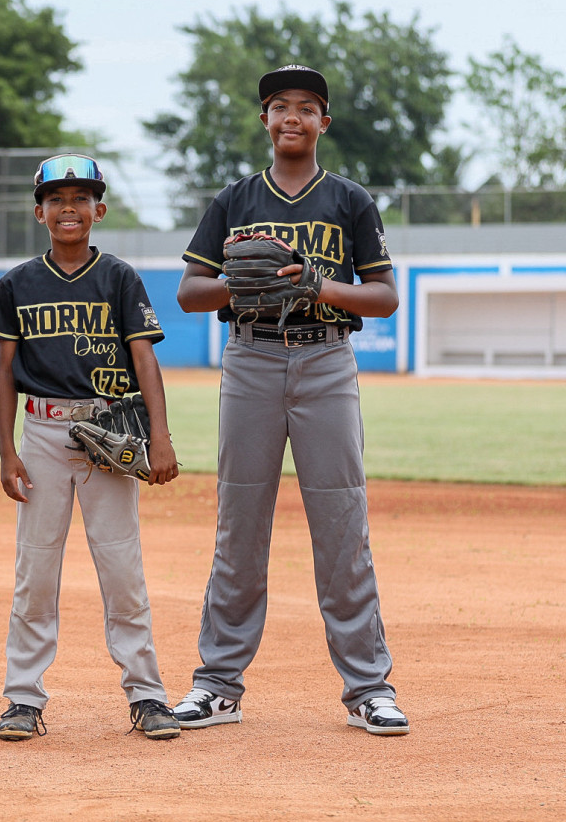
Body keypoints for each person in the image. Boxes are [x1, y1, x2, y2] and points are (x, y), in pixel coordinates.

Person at [171, 65, 410, 736]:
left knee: (342, 524)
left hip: (326, 360)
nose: (292, 117)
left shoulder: (349, 200)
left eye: (307, 107)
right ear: (265, 120)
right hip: (250, 358)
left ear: (323, 123)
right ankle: (218, 684)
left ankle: (368, 688)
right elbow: (189, 292)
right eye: (280, 106)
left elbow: (384, 297)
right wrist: (243, 285)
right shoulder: (235, 199)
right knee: (239, 525)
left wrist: (315, 285)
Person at [0, 154, 182, 741]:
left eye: (81, 198)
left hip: (107, 435)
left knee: (122, 569)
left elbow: (144, 357)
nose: (68, 208)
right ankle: (23, 697)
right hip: (42, 433)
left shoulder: (118, 277)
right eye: (56, 199)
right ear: (39, 212)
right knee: (35, 569)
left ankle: (146, 693)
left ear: (100, 209)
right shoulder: (17, 283)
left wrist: (161, 436)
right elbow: (5, 372)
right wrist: (7, 451)